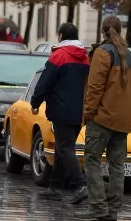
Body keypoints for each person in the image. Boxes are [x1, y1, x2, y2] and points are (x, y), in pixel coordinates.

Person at [76, 15, 131, 221]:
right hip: (123, 120)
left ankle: (98, 207)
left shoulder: (102, 53)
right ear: (120, 31)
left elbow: (95, 87)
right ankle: (113, 210)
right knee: (117, 166)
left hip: (102, 118)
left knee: (92, 159)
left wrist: (88, 112)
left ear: (102, 31)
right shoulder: (130, 56)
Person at [30, 22, 90, 204]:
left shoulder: (58, 56)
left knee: (65, 148)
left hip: (60, 108)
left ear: (61, 36)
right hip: (77, 109)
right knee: (62, 148)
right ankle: (54, 187)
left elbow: (45, 81)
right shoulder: (85, 57)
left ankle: (80, 184)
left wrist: (35, 102)